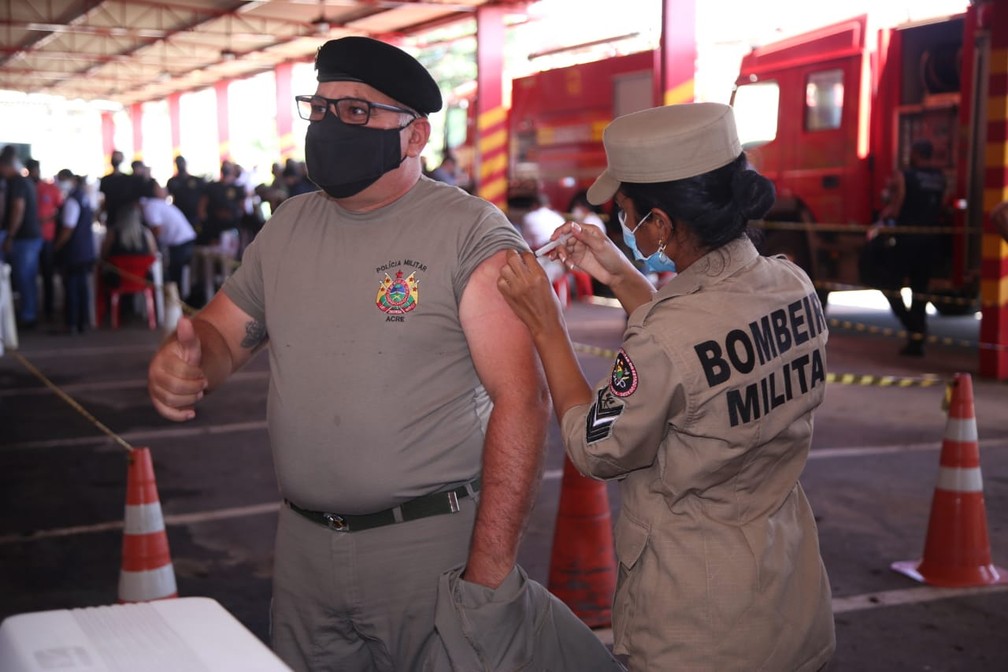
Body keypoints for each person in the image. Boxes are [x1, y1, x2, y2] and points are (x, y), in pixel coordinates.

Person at [147, 36, 551, 672]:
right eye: (320, 108)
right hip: (304, 549)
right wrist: (184, 361)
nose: (330, 125)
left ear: (415, 136)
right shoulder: (288, 226)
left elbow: (522, 401)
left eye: (356, 111)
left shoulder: (469, 234)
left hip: (429, 549)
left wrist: (490, 571)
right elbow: (222, 334)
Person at [497, 102, 836, 671]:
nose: (622, 226)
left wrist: (547, 324)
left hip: (699, 627)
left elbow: (593, 446)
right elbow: (694, 353)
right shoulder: (791, 284)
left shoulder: (667, 337)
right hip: (790, 600)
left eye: (627, 215)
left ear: (659, 223)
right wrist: (618, 272)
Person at [876, 138, 947, 357]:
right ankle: (917, 340)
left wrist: (883, 216)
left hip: (907, 239)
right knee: (920, 290)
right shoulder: (940, 178)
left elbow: (895, 208)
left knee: (889, 284)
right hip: (930, 241)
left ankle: (913, 327)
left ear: (916, 153)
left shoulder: (905, 176)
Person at [1, 148, 42, 329]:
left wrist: (10, 235)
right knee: (27, 278)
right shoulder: (23, 181)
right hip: (29, 237)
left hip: (24, 238)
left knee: (24, 278)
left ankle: (28, 315)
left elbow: (18, 208)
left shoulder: (17, 182)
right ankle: (29, 313)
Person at [52, 169, 96, 334]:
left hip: (74, 252)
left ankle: (71, 323)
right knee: (82, 287)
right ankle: (82, 322)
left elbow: (68, 228)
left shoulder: (72, 200)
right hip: (85, 250)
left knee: (72, 288)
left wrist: (57, 245)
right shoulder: (83, 197)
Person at [25, 158, 64, 322]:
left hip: (47, 237)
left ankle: (49, 309)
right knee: (30, 276)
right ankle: (32, 311)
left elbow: (61, 209)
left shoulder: (49, 188)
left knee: (48, 275)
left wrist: (47, 219)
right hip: (29, 239)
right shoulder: (26, 187)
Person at [140, 183, 196, 294]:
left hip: (181, 241)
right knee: (176, 273)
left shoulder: (150, 206)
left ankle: (176, 299)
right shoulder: (157, 204)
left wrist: (149, 243)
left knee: (174, 275)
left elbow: (157, 230)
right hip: (183, 240)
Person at [166, 155, 208, 235]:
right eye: (178, 163)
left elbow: (204, 197)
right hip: (180, 215)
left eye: (182, 162)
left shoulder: (196, 180)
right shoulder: (172, 181)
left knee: (198, 235)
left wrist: (202, 211)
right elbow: (166, 197)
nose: (181, 165)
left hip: (195, 215)